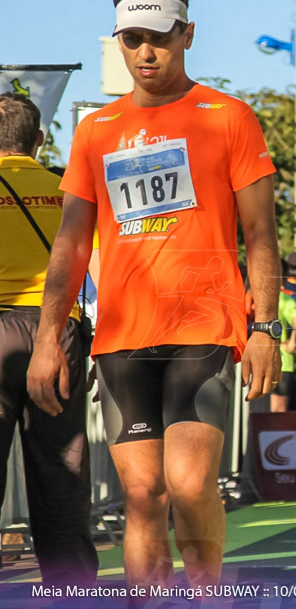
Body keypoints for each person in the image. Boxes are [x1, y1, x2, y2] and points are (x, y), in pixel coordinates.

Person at [27, 0, 281, 587]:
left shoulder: (229, 116)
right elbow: (70, 244)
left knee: (191, 486)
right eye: (132, 37)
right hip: (122, 339)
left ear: (187, 34)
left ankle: (207, 598)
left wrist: (265, 325)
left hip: (205, 326)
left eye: (159, 36)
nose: (146, 51)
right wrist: (45, 337)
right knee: (142, 496)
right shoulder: (97, 130)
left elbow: (262, 234)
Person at [0, 92, 98, 585]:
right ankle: (74, 591)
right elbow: (98, 268)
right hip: (57, 334)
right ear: (38, 141)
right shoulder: (68, 191)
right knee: (61, 477)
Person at [272, 261, 296, 412]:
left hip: (277, 360)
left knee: (273, 409)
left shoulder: (282, 298)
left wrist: (292, 343)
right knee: (276, 410)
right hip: (280, 360)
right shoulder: (284, 298)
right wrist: (292, 344)